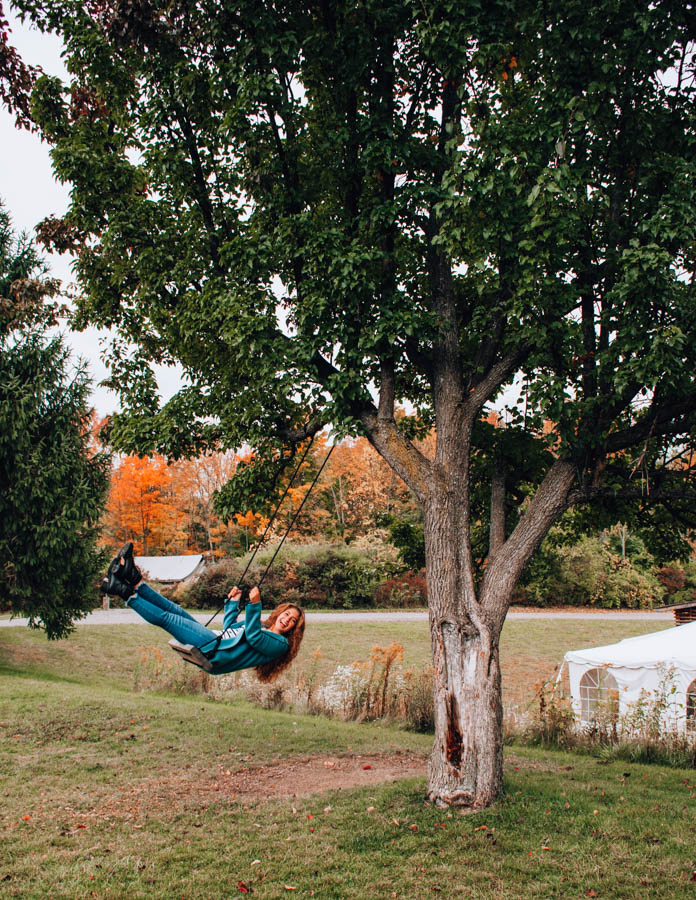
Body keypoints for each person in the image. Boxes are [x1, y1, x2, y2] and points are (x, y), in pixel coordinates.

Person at [101, 543, 305, 681]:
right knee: (174, 609)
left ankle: (123, 591)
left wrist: (254, 605)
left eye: (293, 620)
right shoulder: (262, 626)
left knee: (168, 618)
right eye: (287, 614)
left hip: (215, 653)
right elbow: (230, 630)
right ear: (279, 613)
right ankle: (133, 577)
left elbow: (253, 637)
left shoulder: (280, 645)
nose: (287, 619)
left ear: (294, 628)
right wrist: (233, 603)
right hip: (216, 641)